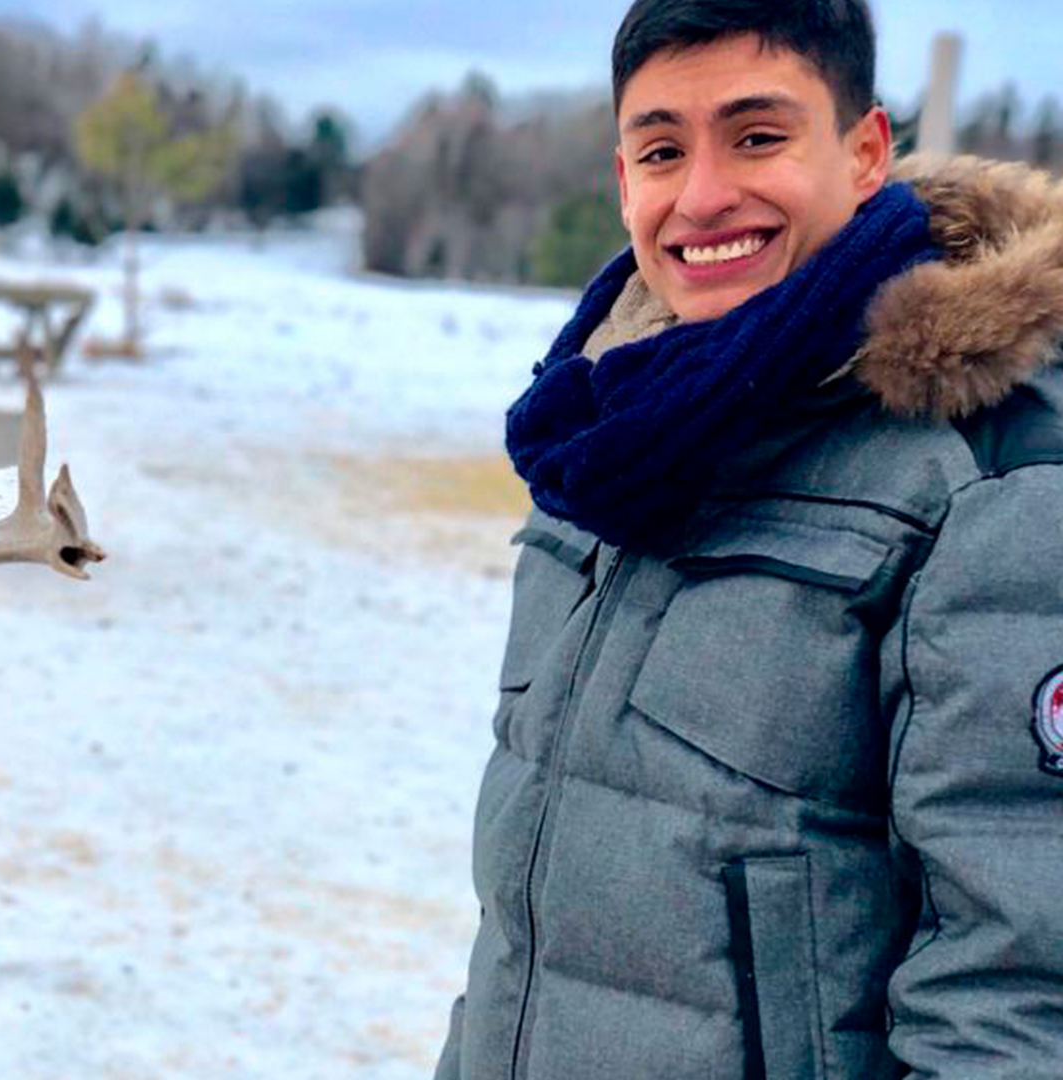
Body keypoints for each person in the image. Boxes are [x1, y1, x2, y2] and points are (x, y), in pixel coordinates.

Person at [437, 1, 1063, 1077]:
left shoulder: (983, 476)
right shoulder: (597, 442)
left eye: (758, 136)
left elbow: (1016, 991)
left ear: (865, 152)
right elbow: (526, 925)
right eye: (662, 149)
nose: (704, 195)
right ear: (623, 177)